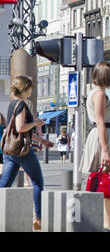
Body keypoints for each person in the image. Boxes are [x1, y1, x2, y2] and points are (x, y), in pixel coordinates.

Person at [78, 62, 110, 232]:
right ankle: (107, 221)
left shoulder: (95, 92)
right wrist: (105, 150)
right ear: (105, 75)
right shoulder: (99, 94)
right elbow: (100, 120)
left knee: (106, 178)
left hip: (102, 134)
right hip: (103, 134)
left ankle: (105, 220)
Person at [0, 76, 54, 230]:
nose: (32, 90)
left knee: (4, 185)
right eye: (30, 87)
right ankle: (38, 218)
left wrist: (42, 140)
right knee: (38, 182)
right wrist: (35, 123)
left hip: (10, 151)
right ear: (24, 88)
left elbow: (21, 132)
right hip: (22, 152)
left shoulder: (12, 104)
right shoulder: (21, 104)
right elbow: (20, 128)